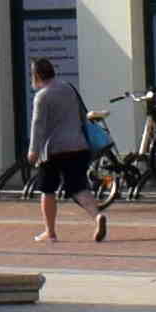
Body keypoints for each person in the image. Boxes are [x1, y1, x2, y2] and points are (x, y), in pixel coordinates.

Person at [26, 58, 111, 245]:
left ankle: (50, 232)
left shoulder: (42, 96)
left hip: (53, 150)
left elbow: (37, 126)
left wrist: (33, 151)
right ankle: (97, 216)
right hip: (78, 146)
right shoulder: (68, 88)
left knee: (47, 190)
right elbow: (82, 115)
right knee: (79, 187)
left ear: (37, 75)